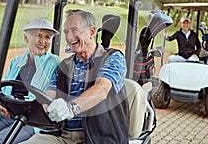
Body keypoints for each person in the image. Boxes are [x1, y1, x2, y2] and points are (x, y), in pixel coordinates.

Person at [21, 9, 129, 144]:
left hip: (97, 138)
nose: (69, 37)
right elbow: (49, 94)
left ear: (91, 32)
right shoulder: (64, 66)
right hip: (61, 135)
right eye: (66, 32)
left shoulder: (113, 57)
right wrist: (33, 107)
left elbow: (102, 89)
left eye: (74, 30)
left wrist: (71, 108)